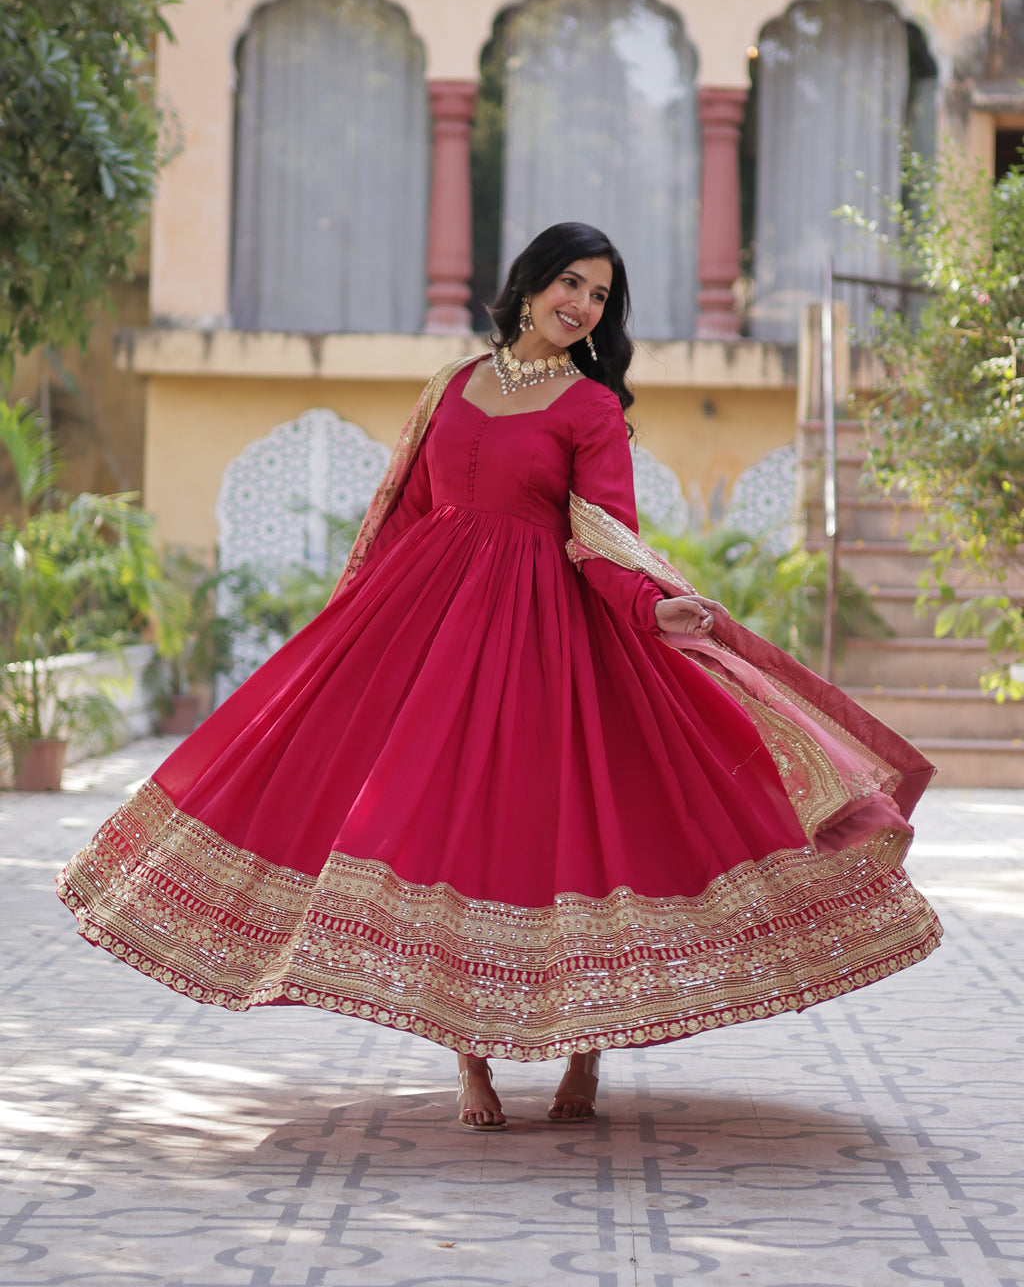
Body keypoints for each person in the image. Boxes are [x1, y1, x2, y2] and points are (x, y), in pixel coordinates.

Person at [58, 221, 941, 1134]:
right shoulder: (450, 387)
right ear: (527, 287)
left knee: (569, 830)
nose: (581, 305)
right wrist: (359, 636)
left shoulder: (590, 408)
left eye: (599, 295)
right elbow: (401, 516)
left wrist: (650, 608)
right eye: (569, 282)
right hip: (433, 634)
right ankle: (469, 1063)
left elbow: (603, 535)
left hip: (550, 639)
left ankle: (584, 1051)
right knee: (450, 831)